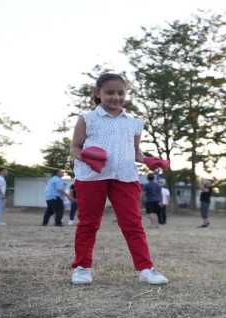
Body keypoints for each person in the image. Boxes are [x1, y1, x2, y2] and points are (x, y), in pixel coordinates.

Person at [69, 72, 169, 285]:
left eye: (121, 93)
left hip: (125, 176)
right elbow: (75, 148)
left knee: (133, 223)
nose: (116, 97)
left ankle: (146, 269)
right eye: (110, 92)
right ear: (98, 93)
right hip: (91, 177)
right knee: (88, 223)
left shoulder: (134, 123)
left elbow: (136, 152)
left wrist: (148, 160)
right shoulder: (87, 119)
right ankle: (82, 267)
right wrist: (87, 158)